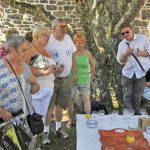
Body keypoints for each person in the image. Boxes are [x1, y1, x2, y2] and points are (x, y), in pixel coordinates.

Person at [0, 34, 40, 149]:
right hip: (7, 123)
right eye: (23, 50)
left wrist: (35, 83)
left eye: (27, 50)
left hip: (27, 120)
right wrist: (1, 111)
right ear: (12, 50)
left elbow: (34, 91)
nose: (27, 53)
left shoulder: (26, 67)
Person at [45, 18, 76, 139]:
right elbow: (43, 60)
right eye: (61, 27)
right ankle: (46, 132)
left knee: (60, 105)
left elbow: (72, 56)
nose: (64, 29)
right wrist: (54, 69)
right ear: (53, 29)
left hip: (66, 78)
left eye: (65, 26)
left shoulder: (68, 38)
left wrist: (75, 73)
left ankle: (58, 129)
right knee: (49, 106)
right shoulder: (49, 41)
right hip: (52, 79)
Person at [29, 26, 57, 145]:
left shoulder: (46, 51)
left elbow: (49, 70)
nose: (48, 38)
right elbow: (30, 71)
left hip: (48, 89)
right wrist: (48, 70)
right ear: (37, 36)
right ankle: (31, 142)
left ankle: (36, 142)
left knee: (40, 118)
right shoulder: (32, 50)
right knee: (33, 118)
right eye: (45, 35)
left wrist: (57, 70)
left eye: (48, 36)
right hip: (38, 91)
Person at [116, 23, 150, 115]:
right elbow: (120, 61)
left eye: (127, 32)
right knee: (127, 96)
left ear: (132, 30)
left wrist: (141, 53)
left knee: (137, 97)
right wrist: (126, 54)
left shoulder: (142, 39)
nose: (126, 34)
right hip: (127, 74)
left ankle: (137, 117)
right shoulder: (121, 45)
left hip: (141, 73)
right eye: (123, 33)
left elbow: (149, 52)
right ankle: (129, 117)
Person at [66, 33, 95, 128]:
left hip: (84, 79)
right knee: (70, 101)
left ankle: (88, 118)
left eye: (82, 42)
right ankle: (70, 121)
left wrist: (91, 76)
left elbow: (93, 65)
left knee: (86, 99)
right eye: (79, 42)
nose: (81, 44)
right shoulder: (71, 54)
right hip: (73, 80)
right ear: (74, 43)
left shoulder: (87, 53)